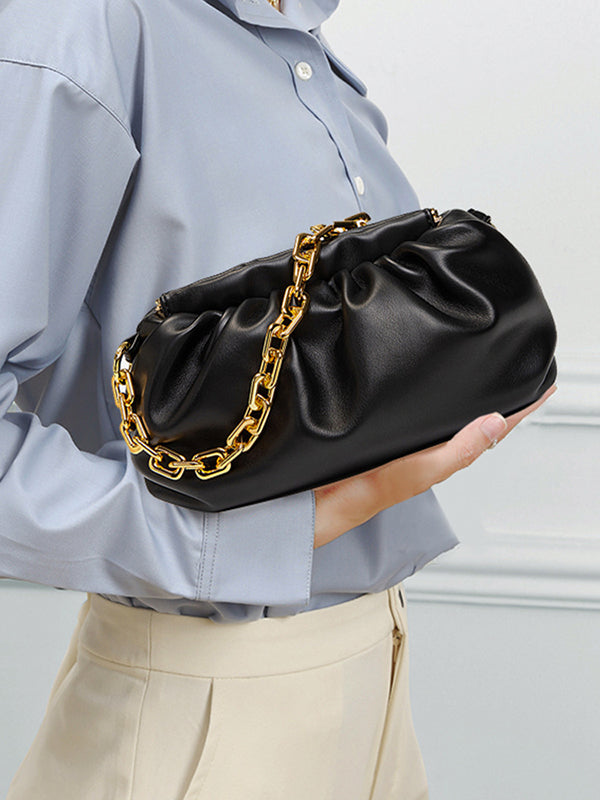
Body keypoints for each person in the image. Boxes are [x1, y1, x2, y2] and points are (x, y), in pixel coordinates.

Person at [0, 0, 556, 797]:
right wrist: (238, 542)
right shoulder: (87, 23)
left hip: (375, 673)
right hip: (211, 707)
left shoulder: (298, 40)